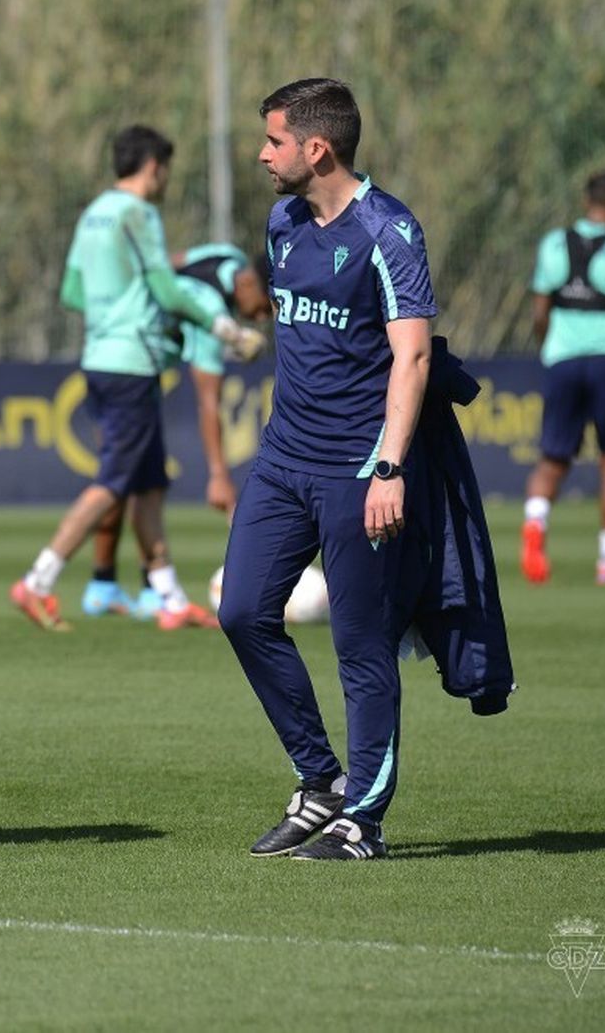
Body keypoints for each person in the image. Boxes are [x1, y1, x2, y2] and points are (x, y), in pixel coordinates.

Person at [217, 78, 435, 860]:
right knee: (242, 611)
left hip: (357, 467)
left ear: (317, 149)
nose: (262, 154)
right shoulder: (282, 222)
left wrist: (389, 467)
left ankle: (364, 819)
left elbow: (412, 356)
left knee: (360, 644)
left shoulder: (389, 231)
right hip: (283, 458)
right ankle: (321, 781)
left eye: (273, 140)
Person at [10, 127, 263, 633]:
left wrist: (116, 308)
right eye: (165, 170)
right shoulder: (139, 213)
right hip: (132, 363)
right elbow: (166, 290)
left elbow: (72, 292)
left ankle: (170, 600)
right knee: (113, 483)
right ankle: (38, 582)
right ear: (153, 167)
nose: (165, 180)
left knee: (148, 484)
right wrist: (224, 329)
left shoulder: (94, 213)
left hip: (99, 357)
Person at [81, 246, 274, 619]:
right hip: (127, 368)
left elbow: (163, 263)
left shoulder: (225, 255)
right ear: (250, 283)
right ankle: (67, 579)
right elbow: (208, 402)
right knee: (122, 480)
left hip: (113, 355)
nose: (264, 317)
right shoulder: (210, 314)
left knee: (142, 481)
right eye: (266, 305)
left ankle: (137, 588)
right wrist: (218, 476)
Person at [521, 171, 605, 586]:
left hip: (563, 360)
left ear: (586, 201)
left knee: (552, 458)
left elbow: (540, 312)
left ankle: (536, 522)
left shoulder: (554, 243)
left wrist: (549, 350)